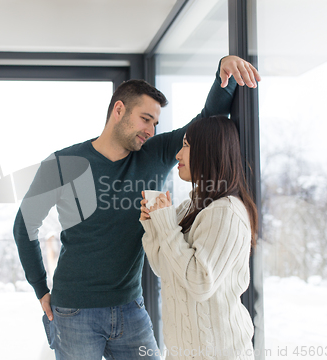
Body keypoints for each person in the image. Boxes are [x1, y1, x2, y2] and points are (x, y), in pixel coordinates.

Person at [13, 56, 260, 360]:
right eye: (145, 119)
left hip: (131, 309)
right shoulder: (63, 163)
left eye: (155, 123)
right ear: (119, 110)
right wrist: (40, 288)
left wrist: (226, 74)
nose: (151, 130)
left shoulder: (154, 154)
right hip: (73, 311)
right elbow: (24, 224)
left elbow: (207, 121)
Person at [139, 115, 259, 359]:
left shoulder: (226, 211)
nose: (178, 156)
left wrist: (166, 224)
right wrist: (154, 226)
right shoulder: (189, 207)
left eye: (185, 145)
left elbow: (199, 283)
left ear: (207, 150)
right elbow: (165, 268)